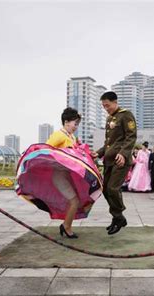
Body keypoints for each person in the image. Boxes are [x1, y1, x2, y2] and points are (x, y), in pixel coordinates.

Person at [92, 91, 137, 235]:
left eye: (108, 105)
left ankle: (119, 216)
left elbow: (131, 137)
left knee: (112, 188)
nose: (106, 108)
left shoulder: (126, 115)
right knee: (105, 189)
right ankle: (117, 217)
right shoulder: (109, 119)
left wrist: (123, 154)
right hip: (109, 160)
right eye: (104, 106)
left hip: (120, 161)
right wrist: (98, 153)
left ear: (115, 102)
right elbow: (108, 143)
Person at [46, 108, 81, 238]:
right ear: (66, 122)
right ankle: (66, 227)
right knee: (74, 201)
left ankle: (66, 224)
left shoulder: (71, 136)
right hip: (59, 175)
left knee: (76, 200)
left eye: (77, 124)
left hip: (67, 174)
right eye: (75, 124)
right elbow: (47, 150)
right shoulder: (59, 135)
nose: (76, 127)